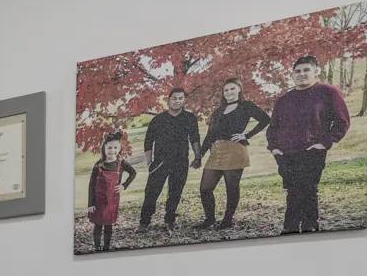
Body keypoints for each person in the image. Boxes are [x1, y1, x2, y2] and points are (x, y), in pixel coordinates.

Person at [266, 55, 351, 234]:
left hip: (311, 150)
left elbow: (342, 120)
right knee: (293, 191)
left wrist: (325, 143)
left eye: (306, 70)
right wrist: (275, 149)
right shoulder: (284, 100)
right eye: (297, 71)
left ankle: (309, 227)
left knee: (308, 190)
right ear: (292, 75)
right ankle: (290, 229)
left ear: (316, 72)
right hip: (286, 154)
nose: (301, 74)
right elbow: (273, 127)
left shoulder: (327, 92)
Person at [195, 78, 270, 229]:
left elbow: (265, 119)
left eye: (232, 89)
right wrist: (199, 156)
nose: (229, 92)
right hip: (216, 150)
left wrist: (246, 135)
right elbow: (210, 135)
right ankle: (210, 219)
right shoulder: (218, 111)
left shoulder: (246, 106)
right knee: (205, 188)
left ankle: (227, 220)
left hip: (234, 149)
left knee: (231, 187)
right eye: (226, 90)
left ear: (239, 90)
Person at [138, 87, 201, 230]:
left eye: (180, 98)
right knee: (151, 192)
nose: (177, 101)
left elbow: (195, 138)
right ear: (168, 100)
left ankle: (169, 221)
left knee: (175, 192)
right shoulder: (158, 120)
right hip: (160, 162)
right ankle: (144, 222)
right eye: (174, 98)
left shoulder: (190, 118)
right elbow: (148, 143)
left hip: (181, 161)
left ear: (184, 100)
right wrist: (149, 163)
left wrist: (198, 157)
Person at [82, 131, 136, 254]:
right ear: (104, 148)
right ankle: (97, 247)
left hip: (112, 201)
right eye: (110, 148)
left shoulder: (121, 163)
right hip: (98, 201)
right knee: (98, 225)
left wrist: (124, 185)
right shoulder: (99, 165)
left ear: (120, 148)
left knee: (108, 225)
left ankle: (106, 248)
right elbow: (91, 185)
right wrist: (90, 203)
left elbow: (133, 173)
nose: (113, 151)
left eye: (115, 148)